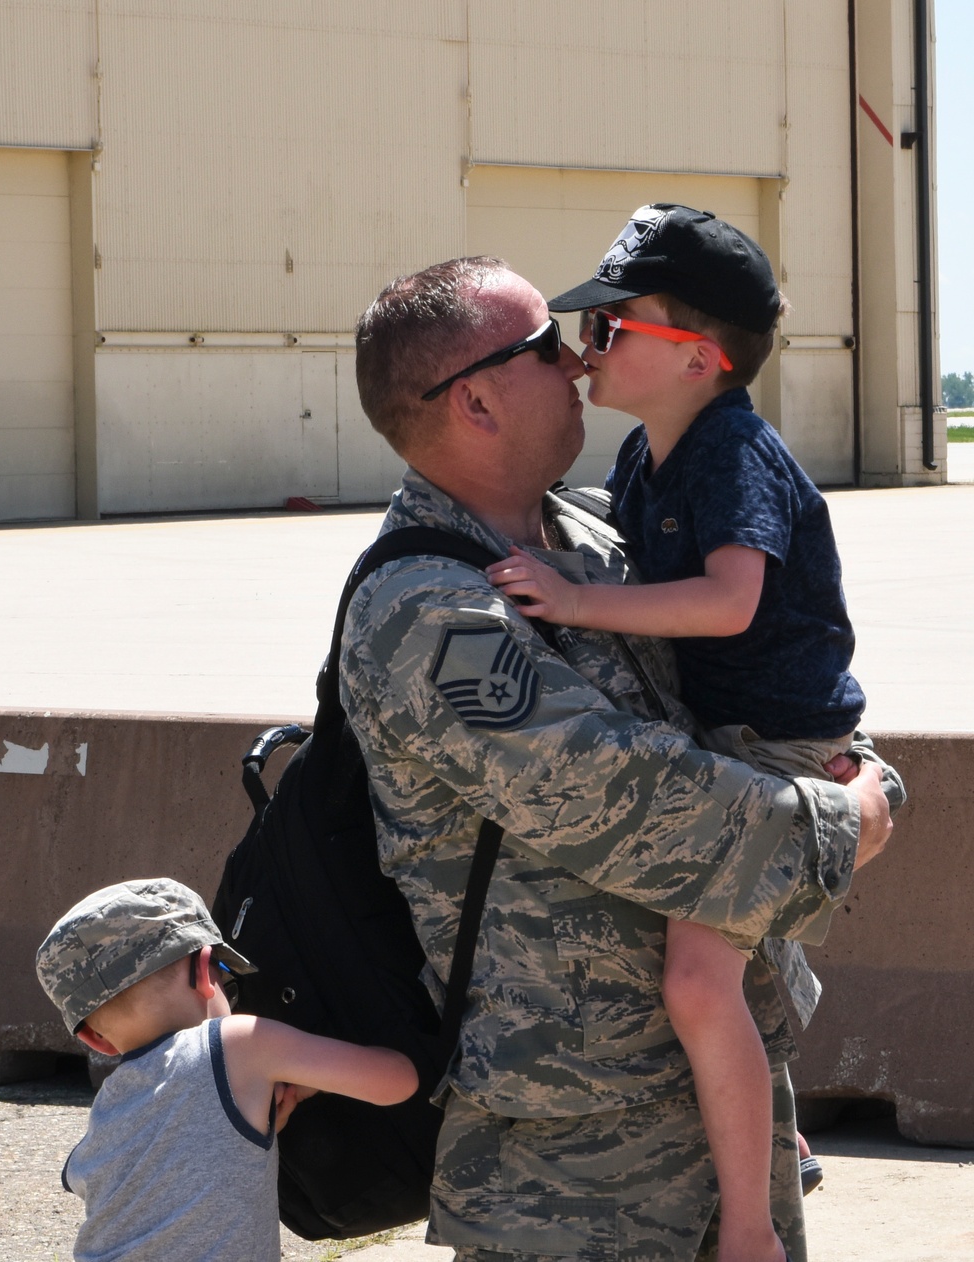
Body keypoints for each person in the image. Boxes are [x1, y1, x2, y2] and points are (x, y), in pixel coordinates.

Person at [345, 254, 900, 1262]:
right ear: (472, 401)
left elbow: (771, 669)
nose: (575, 362)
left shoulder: (600, 534)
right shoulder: (428, 615)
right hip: (578, 1164)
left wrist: (842, 754)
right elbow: (629, 803)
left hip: (719, 1100)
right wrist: (852, 812)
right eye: (541, 347)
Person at [484, 203, 866, 1262]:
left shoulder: (728, 450)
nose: (582, 349)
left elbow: (729, 600)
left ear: (698, 357)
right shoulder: (655, 455)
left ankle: (748, 1226)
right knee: (723, 973)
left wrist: (571, 600)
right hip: (726, 737)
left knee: (697, 981)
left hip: (773, 744)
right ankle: (773, 1132)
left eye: (611, 330)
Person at [35, 877, 418, 1262]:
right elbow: (398, 1081)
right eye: (224, 973)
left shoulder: (108, 1110)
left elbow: (156, 1172)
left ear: (94, 1040)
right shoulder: (240, 1041)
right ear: (205, 971)